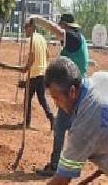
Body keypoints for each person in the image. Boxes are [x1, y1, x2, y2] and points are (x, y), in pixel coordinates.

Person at [27, 13, 90, 176]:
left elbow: (54, 30)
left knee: (60, 126)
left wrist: (38, 20)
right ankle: (68, 166)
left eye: (61, 27)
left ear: (65, 26)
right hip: (76, 91)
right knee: (71, 128)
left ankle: (56, 166)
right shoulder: (78, 40)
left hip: (71, 93)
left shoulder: (73, 37)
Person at [21, 19, 54, 129]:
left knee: (27, 99)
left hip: (34, 74)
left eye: (25, 28)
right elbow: (48, 54)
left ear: (30, 27)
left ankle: (26, 122)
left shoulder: (30, 40)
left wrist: (26, 68)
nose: (25, 30)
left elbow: (31, 57)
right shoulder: (41, 38)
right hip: (43, 73)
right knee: (42, 98)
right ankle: (51, 117)